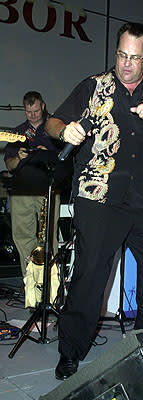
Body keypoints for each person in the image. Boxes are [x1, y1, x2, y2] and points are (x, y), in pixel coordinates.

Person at [45, 21, 143, 380]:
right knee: (90, 274)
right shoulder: (94, 86)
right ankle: (71, 351)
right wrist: (65, 130)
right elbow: (53, 122)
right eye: (121, 55)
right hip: (99, 195)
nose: (126, 63)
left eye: (134, 57)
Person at [4, 91, 61, 279]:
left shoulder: (55, 127)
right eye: (29, 112)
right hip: (22, 191)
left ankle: (49, 286)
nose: (33, 115)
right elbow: (9, 166)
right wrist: (18, 158)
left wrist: (47, 154)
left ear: (43, 106)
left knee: (48, 238)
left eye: (36, 110)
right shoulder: (17, 133)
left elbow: (66, 160)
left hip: (48, 189)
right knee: (22, 237)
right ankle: (30, 282)